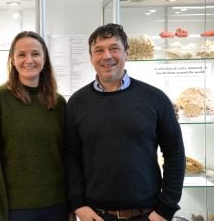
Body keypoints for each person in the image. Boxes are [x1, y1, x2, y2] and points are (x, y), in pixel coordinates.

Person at [64, 23, 185, 221]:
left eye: (114, 48)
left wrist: (166, 209)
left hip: (147, 214)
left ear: (126, 53)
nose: (107, 56)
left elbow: (175, 153)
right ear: (91, 58)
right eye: (99, 50)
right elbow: (71, 157)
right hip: (96, 215)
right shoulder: (77, 103)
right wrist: (78, 204)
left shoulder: (155, 98)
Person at [0, 31, 74, 221]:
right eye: (21, 54)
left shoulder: (58, 103)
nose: (29, 60)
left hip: (57, 206)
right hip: (15, 209)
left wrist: (72, 205)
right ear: (12, 59)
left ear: (44, 58)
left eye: (35, 54)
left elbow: (68, 157)